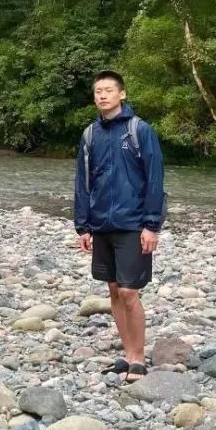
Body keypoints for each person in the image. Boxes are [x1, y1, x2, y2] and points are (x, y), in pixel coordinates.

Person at [74, 69, 165, 383]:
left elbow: (155, 180)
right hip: (101, 224)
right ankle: (127, 355)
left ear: (121, 94)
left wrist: (152, 225)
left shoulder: (139, 131)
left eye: (108, 90)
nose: (102, 95)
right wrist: (83, 225)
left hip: (133, 224)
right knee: (113, 289)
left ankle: (139, 358)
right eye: (98, 90)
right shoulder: (90, 135)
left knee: (129, 292)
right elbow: (83, 183)